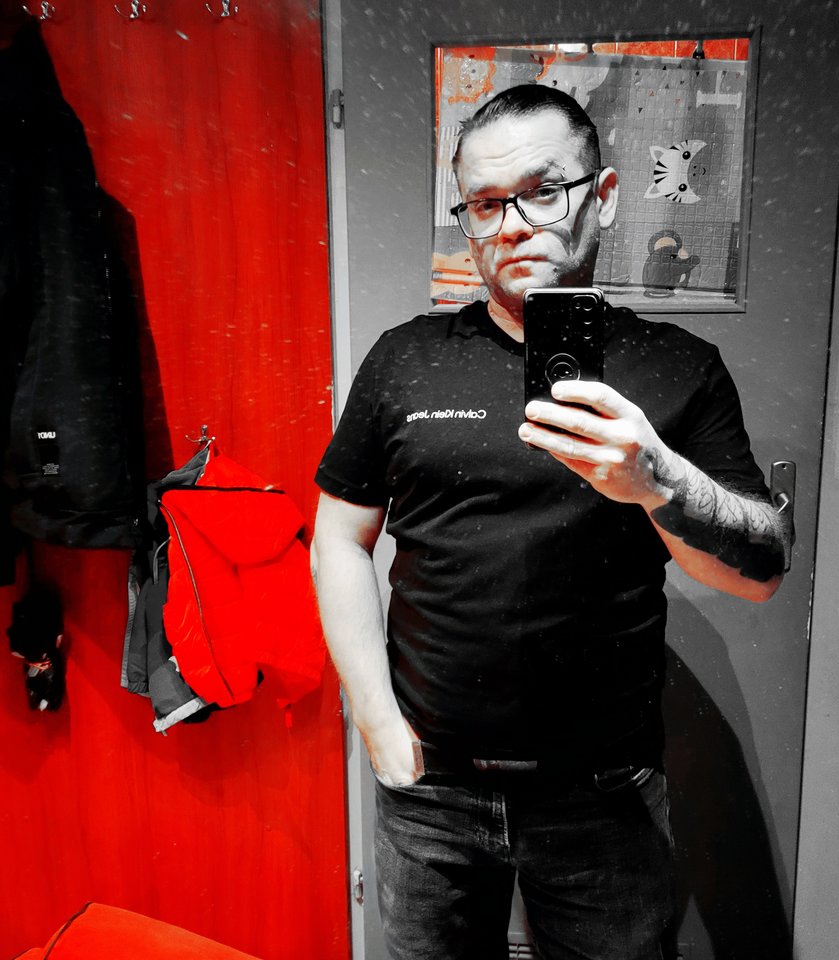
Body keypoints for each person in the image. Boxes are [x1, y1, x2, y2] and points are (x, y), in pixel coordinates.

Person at [311, 85, 787, 960]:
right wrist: (375, 720)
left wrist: (656, 481)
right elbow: (338, 540)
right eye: (486, 203)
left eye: (542, 191)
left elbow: (760, 573)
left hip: (603, 794)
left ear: (603, 195)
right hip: (430, 790)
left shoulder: (679, 368)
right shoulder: (405, 359)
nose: (514, 225)